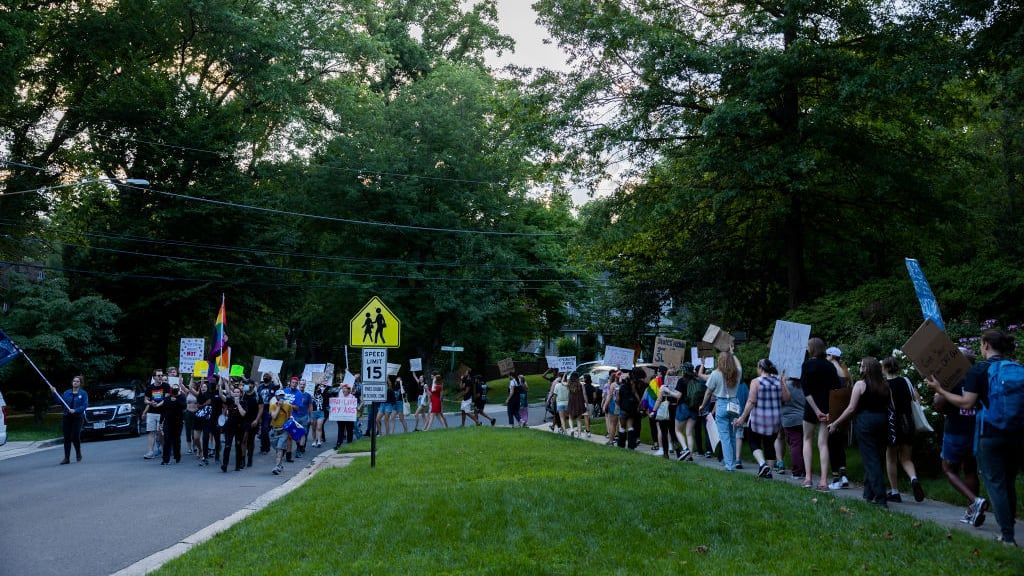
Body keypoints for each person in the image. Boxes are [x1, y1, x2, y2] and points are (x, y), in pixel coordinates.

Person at [929, 329, 1022, 545]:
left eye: (981, 344)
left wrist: (940, 390)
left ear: (987, 345)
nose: (981, 348)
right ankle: (1009, 529)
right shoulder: (1017, 368)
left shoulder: (979, 370)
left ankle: (1007, 536)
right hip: (1016, 434)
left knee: (995, 483)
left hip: (990, 434)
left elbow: (966, 403)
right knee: (1008, 482)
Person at [829, 357, 894, 508]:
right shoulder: (885, 385)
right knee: (877, 457)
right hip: (883, 421)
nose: (860, 368)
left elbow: (851, 408)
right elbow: (891, 405)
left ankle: (880, 498)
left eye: (862, 366)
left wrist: (835, 423)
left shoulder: (860, 384)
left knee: (870, 460)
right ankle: (868, 493)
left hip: (865, 422)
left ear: (866, 369)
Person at [933, 347, 985, 527]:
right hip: (975, 429)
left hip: (955, 429)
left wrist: (939, 389)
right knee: (970, 469)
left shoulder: (952, 379)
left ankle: (975, 501)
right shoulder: (979, 377)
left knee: (948, 469)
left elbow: (938, 405)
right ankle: (973, 512)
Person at [734, 359, 788, 478]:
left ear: (760, 368)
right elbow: (787, 398)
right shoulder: (778, 381)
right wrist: (783, 382)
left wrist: (743, 417)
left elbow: (751, 401)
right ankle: (768, 473)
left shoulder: (756, 382)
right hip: (775, 421)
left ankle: (763, 464)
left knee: (753, 442)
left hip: (758, 419)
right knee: (769, 445)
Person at [882, 355, 925, 503]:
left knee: (891, 458)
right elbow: (917, 399)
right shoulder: (906, 380)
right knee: (906, 458)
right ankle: (913, 479)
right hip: (908, 422)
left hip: (892, 424)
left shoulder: (884, 384)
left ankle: (895, 491)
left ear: (885, 368)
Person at [801, 338, 840, 490]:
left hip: (811, 408)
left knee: (807, 439)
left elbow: (806, 390)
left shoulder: (807, 365)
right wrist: (830, 411)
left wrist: (816, 410)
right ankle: (824, 480)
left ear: (811, 349)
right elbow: (836, 389)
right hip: (827, 408)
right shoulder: (830, 367)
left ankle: (808, 478)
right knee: (823, 443)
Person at [698, 350, 743, 471]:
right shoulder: (737, 372)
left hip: (722, 405)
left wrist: (702, 405)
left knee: (725, 437)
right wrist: (733, 354)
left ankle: (729, 465)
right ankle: (732, 461)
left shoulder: (715, 374)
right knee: (733, 435)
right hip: (734, 404)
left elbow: (708, 393)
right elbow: (739, 366)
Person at [826, 346, 852, 489]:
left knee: (831, 444)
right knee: (840, 445)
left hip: (833, 413)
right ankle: (844, 475)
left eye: (827, 356)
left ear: (831, 356)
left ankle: (836, 477)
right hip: (844, 414)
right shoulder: (846, 371)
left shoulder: (832, 371)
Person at [49, 375, 87, 464]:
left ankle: (78, 453)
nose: (75, 382)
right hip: (67, 417)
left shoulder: (83, 393)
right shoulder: (67, 393)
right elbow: (60, 402)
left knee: (75, 436)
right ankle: (66, 458)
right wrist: (54, 393)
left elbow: (84, 406)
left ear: (80, 383)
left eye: (77, 381)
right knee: (67, 438)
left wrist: (76, 410)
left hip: (77, 418)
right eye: (74, 381)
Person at [781, 376, 807, 479]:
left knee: (795, 445)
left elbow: (782, 400)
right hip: (804, 418)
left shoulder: (785, 384)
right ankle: (805, 470)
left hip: (790, 419)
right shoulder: (804, 384)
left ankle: (797, 471)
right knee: (804, 444)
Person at [219, 383, 247, 472]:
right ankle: (224, 465)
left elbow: (243, 414)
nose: (236, 393)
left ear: (241, 394)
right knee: (227, 445)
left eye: (238, 392)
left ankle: (238, 465)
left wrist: (238, 404)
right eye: (234, 392)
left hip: (239, 427)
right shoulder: (229, 400)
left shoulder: (243, 402)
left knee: (238, 445)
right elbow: (220, 395)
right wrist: (221, 383)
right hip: (230, 426)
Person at [143, 369, 169, 459]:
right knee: (151, 432)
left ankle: (164, 449)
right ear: (154, 377)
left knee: (161, 432)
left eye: (161, 375)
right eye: (158, 375)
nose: (160, 377)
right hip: (152, 412)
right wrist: (150, 403)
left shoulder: (166, 386)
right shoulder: (150, 387)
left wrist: (158, 404)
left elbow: (166, 398)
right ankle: (150, 451)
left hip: (162, 412)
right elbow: (145, 400)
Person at [159, 381, 186, 465]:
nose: (174, 390)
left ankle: (177, 456)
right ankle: (165, 459)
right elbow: (163, 409)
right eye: (173, 389)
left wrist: (176, 400)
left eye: (176, 389)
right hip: (168, 421)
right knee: (167, 439)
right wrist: (161, 421)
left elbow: (184, 406)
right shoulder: (167, 398)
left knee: (176, 440)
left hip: (178, 421)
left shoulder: (182, 397)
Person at [269, 389, 293, 475]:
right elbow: (274, 416)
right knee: (277, 448)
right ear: (276, 397)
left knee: (279, 449)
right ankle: (280, 464)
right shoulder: (273, 405)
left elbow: (290, 417)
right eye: (279, 396)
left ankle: (277, 466)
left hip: (284, 431)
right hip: (274, 430)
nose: (281, 397)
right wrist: (278, 406)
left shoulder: (288, 406)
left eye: (282, 395)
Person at [241, 379, 261, 468]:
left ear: (252, 385)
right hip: (244, 419)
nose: (246, 386)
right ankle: (242, 459)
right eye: (245, 384)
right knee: (244, 439)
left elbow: (261, 409)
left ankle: (250, 458)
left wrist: (257, 420)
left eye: (248, 384)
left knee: (250, 440)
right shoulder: (243, 395)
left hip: (253, 420)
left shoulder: (257, 396)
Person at [290, 380, 312, 457]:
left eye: (303, 384)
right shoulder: (294, 394)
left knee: (303, 433)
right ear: (298, 385)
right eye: (301, 384)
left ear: (305, 386)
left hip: (304, 416)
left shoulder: (308, 395)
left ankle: (299, 449)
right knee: (296, 434)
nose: (302, 385)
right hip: (295, 416)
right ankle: (299, 447)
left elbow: (310, 406)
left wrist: (310, 417)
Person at [256, 373, 276, 454]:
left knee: (265, 429)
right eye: (264, 377)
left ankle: (265, 447)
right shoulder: (260, 387)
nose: (265, 378)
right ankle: (263, 445)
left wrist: (275, 376)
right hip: (260, 408)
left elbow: (279, 387)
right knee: (261, 430)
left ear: (270, 378)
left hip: (268, 409)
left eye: (267, 377)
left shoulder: (272, 386)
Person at [567, 373, 587, 437]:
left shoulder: (569, 384)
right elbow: (584, 394)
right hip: (579, 402)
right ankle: (579, 434)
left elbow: (562, 382)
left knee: (570, 417)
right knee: (579, 419)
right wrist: (586, 403)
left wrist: (565, 374)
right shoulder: (581, 385)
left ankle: (572, 429)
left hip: (571, 402)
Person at [602, 370, 620, 445]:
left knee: (612, 424)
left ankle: (611, 440)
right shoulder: (624, 384)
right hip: (622, 404)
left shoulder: (612, 385)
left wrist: (605, 405)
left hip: (613, 405)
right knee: (621, 424)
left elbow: (609, 396)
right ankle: (619, 438)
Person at [311, 381, 327, 447]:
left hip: (321, 412)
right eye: (318, 387)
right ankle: (314, 440)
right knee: (313, 428)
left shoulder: (323, 394)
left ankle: (319, 441)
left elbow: (327, 387)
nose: (319, 388)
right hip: (313, 412)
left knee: (319, 427)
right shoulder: (312, 394)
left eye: (320, 387)